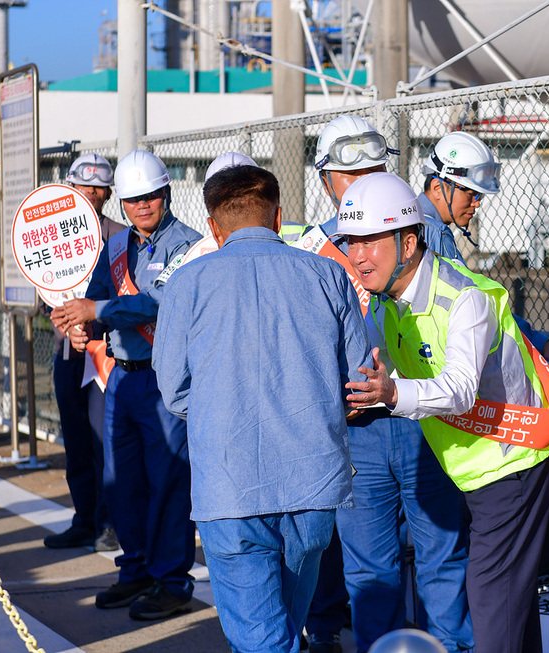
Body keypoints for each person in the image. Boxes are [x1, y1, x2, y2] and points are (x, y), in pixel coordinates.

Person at [152, 164, 372, 653]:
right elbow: (357, 380)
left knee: (263, 640)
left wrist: (221, 408)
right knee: (281, 632)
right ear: (278, 217)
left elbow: (173, 390)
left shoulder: (186, 284)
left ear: (213, 226)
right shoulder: (328, 274)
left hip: (229, 487)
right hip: (312, 484)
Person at [341, 172, 549, 653]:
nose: (357, 255)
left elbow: (459, 390)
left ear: (409, 241)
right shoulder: (384, 304)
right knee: (508, 612)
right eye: (351, 242)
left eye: (371, 241)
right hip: (473, 468)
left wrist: (390, 394)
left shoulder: (466, 297)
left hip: (512, 462)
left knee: (489, 605)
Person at [304, 116, 474, 653]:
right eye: (346, 174)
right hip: (359, 429)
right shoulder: (312, 249)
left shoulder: (426, 231)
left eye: (373, 170)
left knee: (442, 557)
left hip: (427, 416)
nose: (360, 183)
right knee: (370, 571)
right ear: (324, 180)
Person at [51, 150, 201, 621]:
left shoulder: (188, 245)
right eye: (133, 199)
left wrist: (95, 313)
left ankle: (172, 582)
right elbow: (94, 296)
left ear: (166, 194)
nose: (141, 206)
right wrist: (80, 324)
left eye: (150, 197)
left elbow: (160, 305)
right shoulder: (115, 247)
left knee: (168, 483)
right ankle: (135, 569)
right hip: (120, 378)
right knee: (123, 484)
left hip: (166, 381)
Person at [419, 131, 549, 367]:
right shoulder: (435, 233)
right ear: (437, 187)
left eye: (480, 194)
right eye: (470, 192)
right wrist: (542, 345)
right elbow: (479, 305)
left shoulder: (410, 220)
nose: (477, 202)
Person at [44, 153, 123, 553]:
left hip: (105, 355)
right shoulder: (53, 234)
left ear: (108, 192)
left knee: (105, 439)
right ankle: (84, 518)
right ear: (70, 187)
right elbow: (44, 291)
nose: (90, 193)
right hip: (66, 352)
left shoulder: (120, 235)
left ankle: (110, 523)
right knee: (75, 437)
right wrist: (59, 317)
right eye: (83, 186)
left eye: (98, 187)